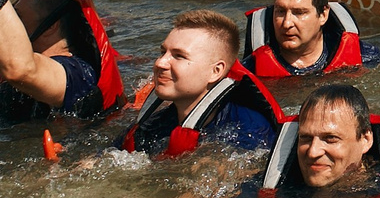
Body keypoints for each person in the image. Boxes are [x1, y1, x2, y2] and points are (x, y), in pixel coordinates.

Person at [118, 9, 285, 156]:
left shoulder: (248, 134)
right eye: (163, 52)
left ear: (216, 71)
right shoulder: (152, 126)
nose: (160, 63)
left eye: (179, 56)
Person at [250, 82, 380, 198]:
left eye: (330, 138)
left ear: (365, 140)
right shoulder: (268, 184)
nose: (313, 152)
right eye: (306, 138)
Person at [0, 0, 123, 122]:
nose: (11, 21)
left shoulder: (79, 75)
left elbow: (20, 69)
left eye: (18, 16)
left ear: (51, 27)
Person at [243, 0, 380, 79]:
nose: (286, 23)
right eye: (280, 11)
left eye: (299, 12)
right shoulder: (250, 70)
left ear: (323, 15)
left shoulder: (365, 57)